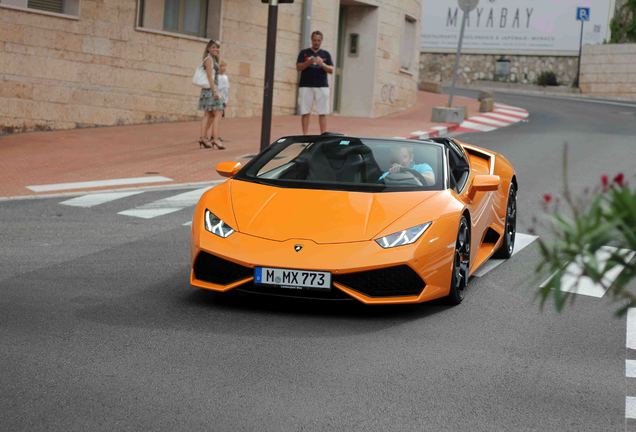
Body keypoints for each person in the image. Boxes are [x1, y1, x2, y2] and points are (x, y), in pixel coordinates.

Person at [296, 30, 334, 135]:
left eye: (318, 40)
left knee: (322, 112)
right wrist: (308, 62)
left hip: (322, 86)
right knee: (305, 112)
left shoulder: (326, 54)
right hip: (305, 85)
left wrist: (322, 64)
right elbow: (298, 67)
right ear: (311, 40)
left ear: (321, 41)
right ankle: (305, 135)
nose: (316, 42)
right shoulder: (304, 53)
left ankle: (323, 135)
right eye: (314, 40)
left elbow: (331, 70)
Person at [197, 40, 225, 149]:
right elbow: (209, 77)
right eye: (213, 47)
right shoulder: (208, 59)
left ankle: (203, 138)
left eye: (217, 47)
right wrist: (215, 92)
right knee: (218, 113)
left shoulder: (213, 59)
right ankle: (215, 139)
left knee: (208, 115)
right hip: (210, 90)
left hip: (209, 89)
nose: (215, 49)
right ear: (208, 48)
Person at [216, 60, 229, 141]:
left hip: (222, 99)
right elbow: (221, 89)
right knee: (216, 118)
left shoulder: (225, 77)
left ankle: (215, 134)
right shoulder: (217, 77)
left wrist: (226, 101)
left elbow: (226, 90)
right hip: (218, 98)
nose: (223, 68)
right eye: (221, 66)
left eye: (224, 66)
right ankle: (214, 135)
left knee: (218, 119)